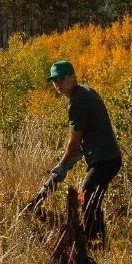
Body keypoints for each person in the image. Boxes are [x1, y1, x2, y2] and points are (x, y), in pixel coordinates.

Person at [44, 60, 122, 246]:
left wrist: (61, 166)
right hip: (107, 157)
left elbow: (75, 141)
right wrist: (74, 156)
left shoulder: (78, 101)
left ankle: (93, 243)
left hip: (105, 159)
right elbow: (83, 139)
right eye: (54, 81)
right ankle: (99, 243)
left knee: (89, 194)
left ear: (73, 77)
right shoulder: (85, 92)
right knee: (92, 199)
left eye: (62, 79)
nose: (58, 85)